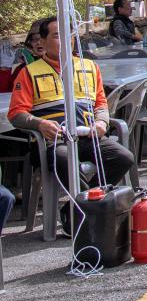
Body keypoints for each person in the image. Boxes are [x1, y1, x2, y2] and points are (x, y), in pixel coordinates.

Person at [8, 17, 135, 195]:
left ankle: (82, 208)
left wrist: (101, 123)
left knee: (123, 158)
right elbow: (16, 114)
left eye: (69, 35)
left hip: (87, 138)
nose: (66, 40)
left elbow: (101, 103)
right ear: (43, 42)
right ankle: (87, 211)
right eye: (57, 36)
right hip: (52, 143)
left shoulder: (90, 67)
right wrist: (39, 124)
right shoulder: (28, 72)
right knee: (66, 161)